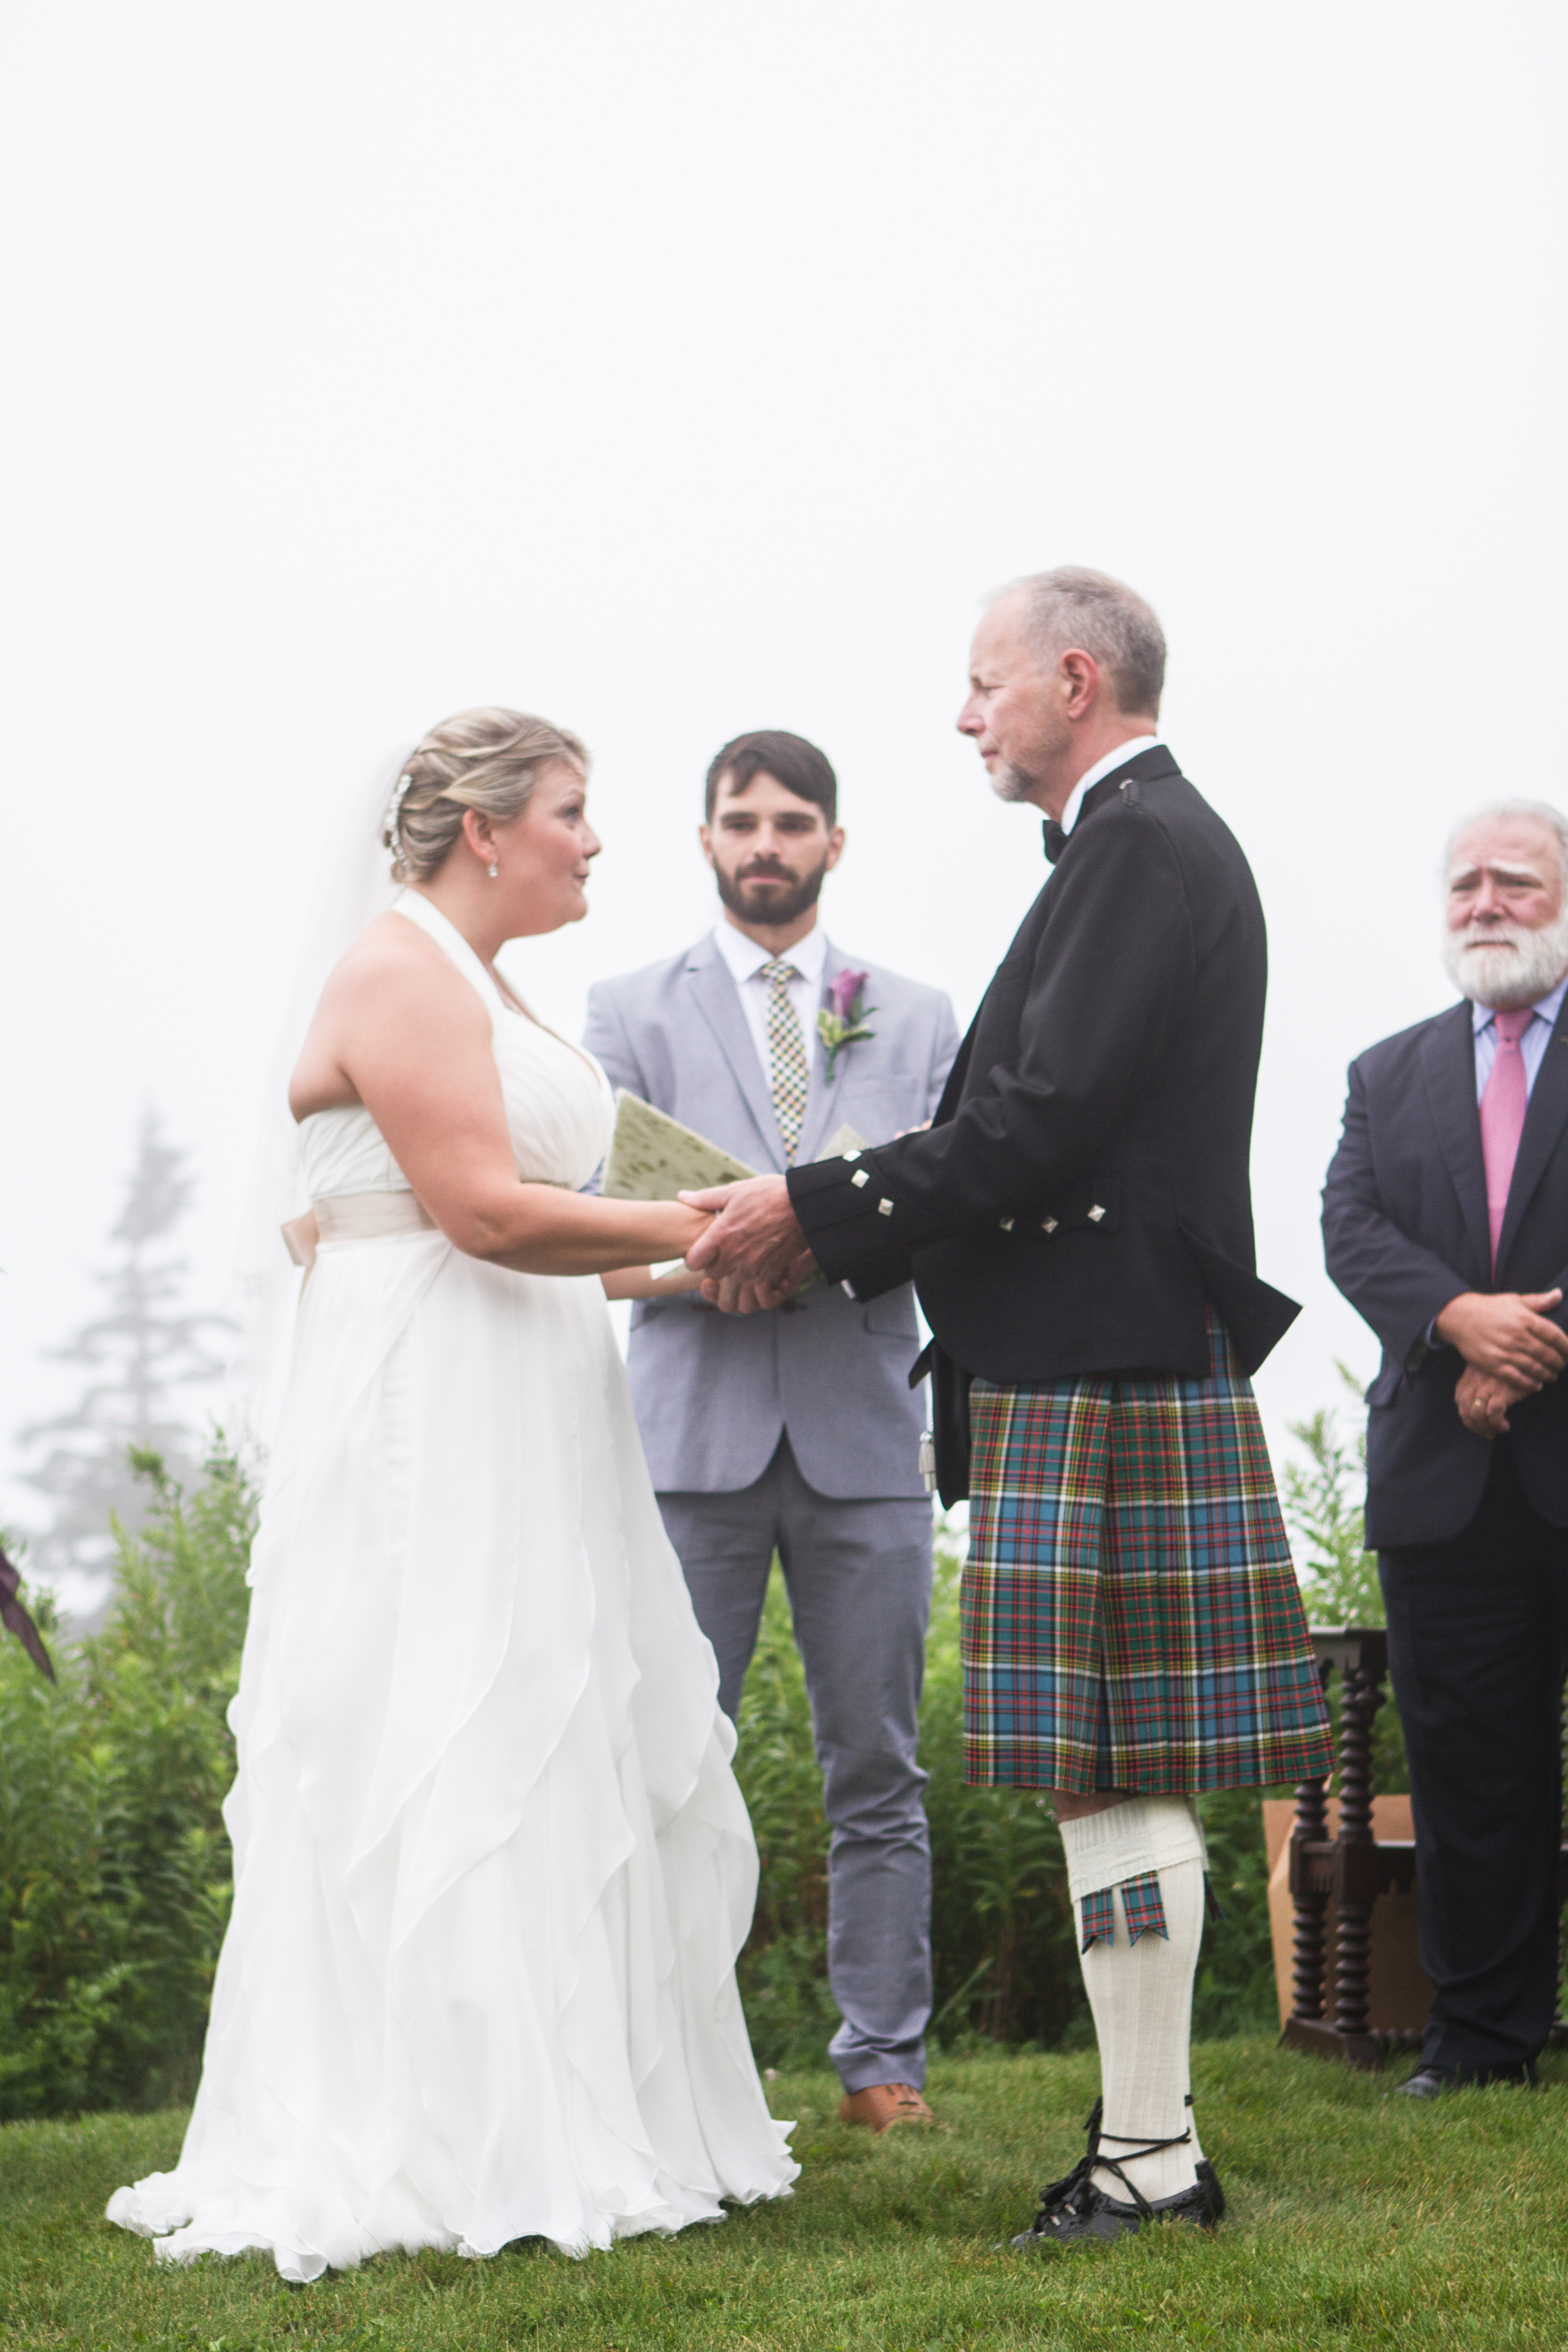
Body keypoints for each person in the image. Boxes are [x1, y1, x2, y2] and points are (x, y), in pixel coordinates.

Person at [684, 571, 1333, 2244]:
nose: (965, 717)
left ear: (1071, 676)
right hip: (1094, 1352)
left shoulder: (1137, 845)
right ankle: (1150, 2140)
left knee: (1116, 1770)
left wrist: (809, 1202)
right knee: (1107, 1773)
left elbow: (1039, 1123)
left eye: (981, 686)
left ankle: (1151, 2150)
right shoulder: (1141, 844)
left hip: (1102, 1355)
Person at [108, 709, 797, 2279]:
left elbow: (521, 1227)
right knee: (446, 1714)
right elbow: (481, 1217)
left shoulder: (484, 986)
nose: (595, 839)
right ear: (484, 829)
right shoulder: (397, 971)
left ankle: (565, 2097)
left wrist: (704, 1266)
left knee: (558, 1703)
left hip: (526, 1387)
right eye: (572, 809)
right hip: (431, 1404)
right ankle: (433, 2122)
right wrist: (704, 1227)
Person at [583, 729, 960, 2132]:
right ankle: (661, 2060)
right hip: (689, 1443)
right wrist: (716, 1261)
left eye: (791, 821)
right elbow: (585, 1235)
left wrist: (820, 1246)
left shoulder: (913, 1016)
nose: (764, 842)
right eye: (739, 819)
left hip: (865, 1439)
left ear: (832, 844)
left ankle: (883, 2064)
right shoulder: (626, 1010)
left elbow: (953, 1209)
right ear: (703, 842)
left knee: (877, 1765)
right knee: (672, 1756)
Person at [1322, 800, 1568, 2096]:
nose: (1484, 903)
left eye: (1514, 882)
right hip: (1441, 1483)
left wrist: (1531, 1344)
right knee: (1472, 1773)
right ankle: (1480, 2040)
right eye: (1464, 883)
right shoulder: (1386, 1072)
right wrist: (1455, 1326)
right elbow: (1348, 1229)